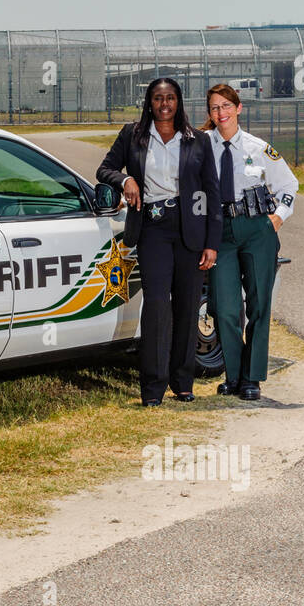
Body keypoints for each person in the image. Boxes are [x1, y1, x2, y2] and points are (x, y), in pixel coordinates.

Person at [97, 78, 221, 407]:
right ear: (149, 103)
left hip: (190, 230)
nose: (164, 104)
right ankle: (153, 387)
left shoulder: (198, 141)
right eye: (157, 98)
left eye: (170, 98)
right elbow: (105, 168)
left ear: (178, 102)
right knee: (155, 306)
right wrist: (126, 179)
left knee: (186, 306)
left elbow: (212, 193)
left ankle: (183, 382)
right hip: (152, 228)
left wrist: (212, 242)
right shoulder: (133, 134)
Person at [201, 84, 299, 401]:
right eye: (215, 107)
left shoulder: (258, 148)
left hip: (257, 230)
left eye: (227, 106)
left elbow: (288, 184)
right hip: (220, 231)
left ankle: (251, 378)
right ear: (210, 113)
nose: (221, 113)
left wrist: (277, 218)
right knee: (225, 307)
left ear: (239, 108)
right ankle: (233, 375)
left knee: (258, 305)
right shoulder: (202, 147)